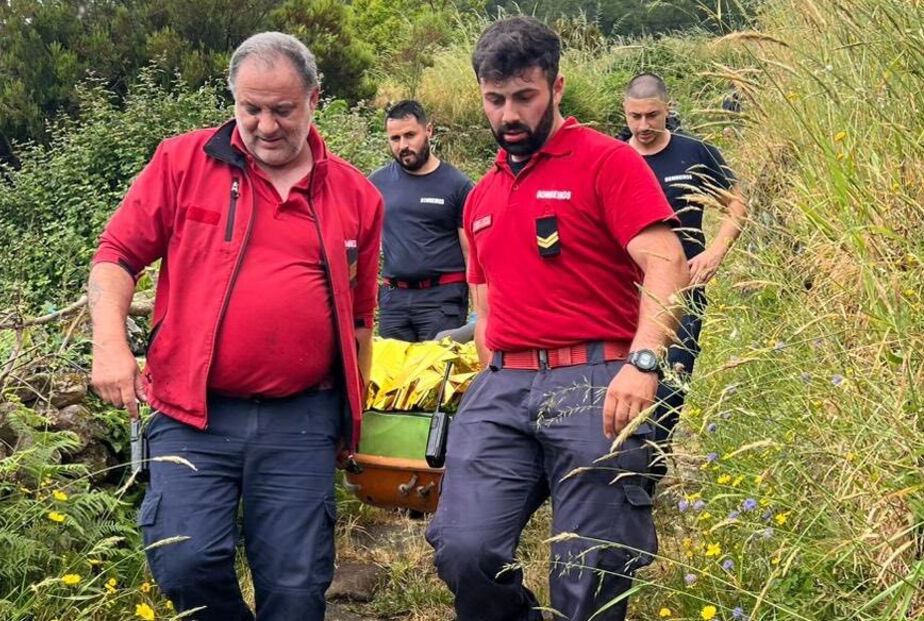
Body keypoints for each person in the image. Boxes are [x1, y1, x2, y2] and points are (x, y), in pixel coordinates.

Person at [88, 32, 383, 621]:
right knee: (184, 561)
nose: (266, 126)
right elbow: (116, 255)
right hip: (192, 412)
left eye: (282, 110)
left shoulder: (356, 195)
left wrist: (356, 415)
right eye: (251, 109)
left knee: (297, 591)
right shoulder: (181, 162)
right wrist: (109, 345)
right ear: (233, 101)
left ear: (314, 100)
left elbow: (358, 317)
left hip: (301, 419)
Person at [426, 17, 690, 621]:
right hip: (503, 386)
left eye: (524, 96)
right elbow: (486, 309)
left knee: (591, 565)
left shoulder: (607, 162)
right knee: (463, 548)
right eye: (496, 100)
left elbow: (666, 263)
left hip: (596, 379)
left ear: (557, 86)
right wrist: (481, 386)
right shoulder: (481, 198)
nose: (509, 114)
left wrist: (643, 363)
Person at [623, 72, 747, 447]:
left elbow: (738, 202)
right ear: (624, 113)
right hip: (626, 288)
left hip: (684, 288)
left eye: (652, 116)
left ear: (667, 109)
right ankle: (627, 466)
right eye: (635, 117)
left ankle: (652, 465)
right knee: (626, 376)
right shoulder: (613, 155)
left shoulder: (694, 151)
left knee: (673, 380)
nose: (643, 125)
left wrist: (716, 251)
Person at [369, 100, 474, 341]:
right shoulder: (377, 183)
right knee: (394, 377)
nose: (403, 145)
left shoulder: (457, 185)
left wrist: (481, 312)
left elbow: (472, 254)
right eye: (395, 139)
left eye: (410, 135)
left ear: (428, 131)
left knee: (434, 376)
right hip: (393, 300)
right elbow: (362, 244)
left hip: (442, 300)